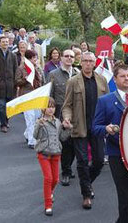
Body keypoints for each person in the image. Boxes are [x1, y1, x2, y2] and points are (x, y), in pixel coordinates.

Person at [93, 63, 128, 222]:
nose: (127, 79)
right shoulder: (105, 101)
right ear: (115, 79)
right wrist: (106, 129)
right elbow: (95, 128)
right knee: (126, 200)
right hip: (118, 155)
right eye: (123, 76)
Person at [62, 51, 109, 209]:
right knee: (82, 161)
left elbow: (107, 104)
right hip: (79, 126)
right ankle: (86, 194)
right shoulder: (73, 81)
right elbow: (67, 105)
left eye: (91, 61)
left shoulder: (102, 80)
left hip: (97, 127)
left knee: (98, 161)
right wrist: (66, 118)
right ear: (80, 62)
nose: (88, 64)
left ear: (94, 63)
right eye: (85, 61)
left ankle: (87, 183)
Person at [49, 49, 79, 185]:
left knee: (75, 143)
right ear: (61, 58)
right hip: (61, 115)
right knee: (66, 143)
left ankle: (68, 167)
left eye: (71, 56)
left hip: (78, 115)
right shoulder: (53, 75)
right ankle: (66, 172)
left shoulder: (79, 74)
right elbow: (49, 97)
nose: (69, 58)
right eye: (66, 56)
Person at [33, 97, 67, 217]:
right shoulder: (40, 121)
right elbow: (35, 136)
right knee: (48, 178)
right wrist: (39, 125)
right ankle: (48, 205)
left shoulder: (58, 122)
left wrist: (67, 128)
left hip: (56, 152)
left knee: (56, 179)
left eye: (53, 106)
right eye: (48, 106)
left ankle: (50, 193)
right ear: (43, 108)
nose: (51, 109)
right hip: (43, 153)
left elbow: (62, 137)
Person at [16, 50, 43, 149]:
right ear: (28, 59)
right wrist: (25, 79)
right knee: (30, 117)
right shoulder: (21, 68)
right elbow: (17, 81)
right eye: (32, 58)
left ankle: (27, 134)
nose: (34, 59)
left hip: (37, 95)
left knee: (37, 117)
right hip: (26, 96)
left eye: (35, 57)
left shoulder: (38, 68)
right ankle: (32, 141)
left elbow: (42, 80)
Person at [0, 35, 18, 133]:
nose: (5, 43)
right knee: (1, 106)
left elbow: (16, 70)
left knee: (8, 106)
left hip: (10, 85)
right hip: (0, 84)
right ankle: (3, 124)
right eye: (3, 42)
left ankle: (6, 121)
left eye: (7, 42)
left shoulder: (13, 55)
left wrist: (16, 83)